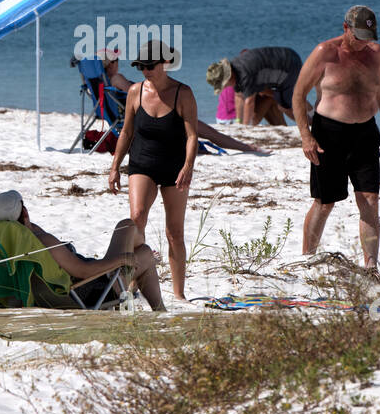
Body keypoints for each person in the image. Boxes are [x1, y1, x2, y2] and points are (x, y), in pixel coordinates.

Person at [293, 6, 380, 274]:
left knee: (370, 200)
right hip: (328, 135)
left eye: (369, 36)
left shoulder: (376, 54)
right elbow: (297, 95)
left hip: (365, 134)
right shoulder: (325, 53)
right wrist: (306, 137)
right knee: (325, 201)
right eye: (359, 36)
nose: (364, 42)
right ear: (345, 28)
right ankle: (308, 258)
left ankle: (371, 266)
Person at [108, 41, 198, 300]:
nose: (145, 71)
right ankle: (137, 282)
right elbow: (126, 132)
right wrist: (115, 167)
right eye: (141, 66)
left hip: (174, 168)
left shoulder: (183, 93)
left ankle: (179, 294)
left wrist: (188, 166)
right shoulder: (135, 92)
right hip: (142, 163)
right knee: (136, 218)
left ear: (165, 64)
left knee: (174, 232)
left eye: (150, 66)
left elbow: (192, 135)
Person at [0, 191, 165, 310]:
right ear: (25, 212)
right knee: (128, 228)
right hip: (92, 290)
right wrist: (121, 259)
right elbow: (83, 271)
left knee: (144, 251)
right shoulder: (41, 242)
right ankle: (157, 308)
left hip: (60, 294)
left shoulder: (1, 244)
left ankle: (156, 305)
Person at [101, 50, 267, 155]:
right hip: (154, 118)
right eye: (115, 60)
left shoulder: (105, 82)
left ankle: (244, 147)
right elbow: (137, 93)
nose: (117, 63)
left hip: (147, 117)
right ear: (109, 65)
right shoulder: (117, 78)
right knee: (207, 131)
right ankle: (246, 148)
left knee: (203, 129)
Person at [207, 47, 303, 125]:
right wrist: (244, 127)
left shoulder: (238, 75)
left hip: (221, 119)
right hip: (230, 120)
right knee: (276, 100)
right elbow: (249, 101)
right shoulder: (244, 75)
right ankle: (303, 122)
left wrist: (239, 123)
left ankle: (286, 125)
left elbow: (240, 98)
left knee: (275, 98)